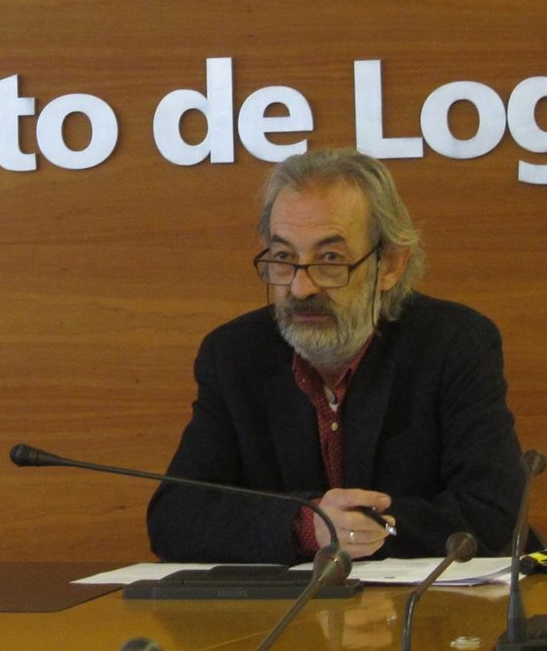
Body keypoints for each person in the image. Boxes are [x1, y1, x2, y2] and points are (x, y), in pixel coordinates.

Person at [146, 148, 526, 564]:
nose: (300, 288)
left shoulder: (454, 344)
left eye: (330, 259)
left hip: (432, 613)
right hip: (286, 619)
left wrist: (370, 527)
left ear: (392, 265)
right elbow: (175, 517)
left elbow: (491, 516)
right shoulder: (235, 356)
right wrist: (308, 526)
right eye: (284, 258)